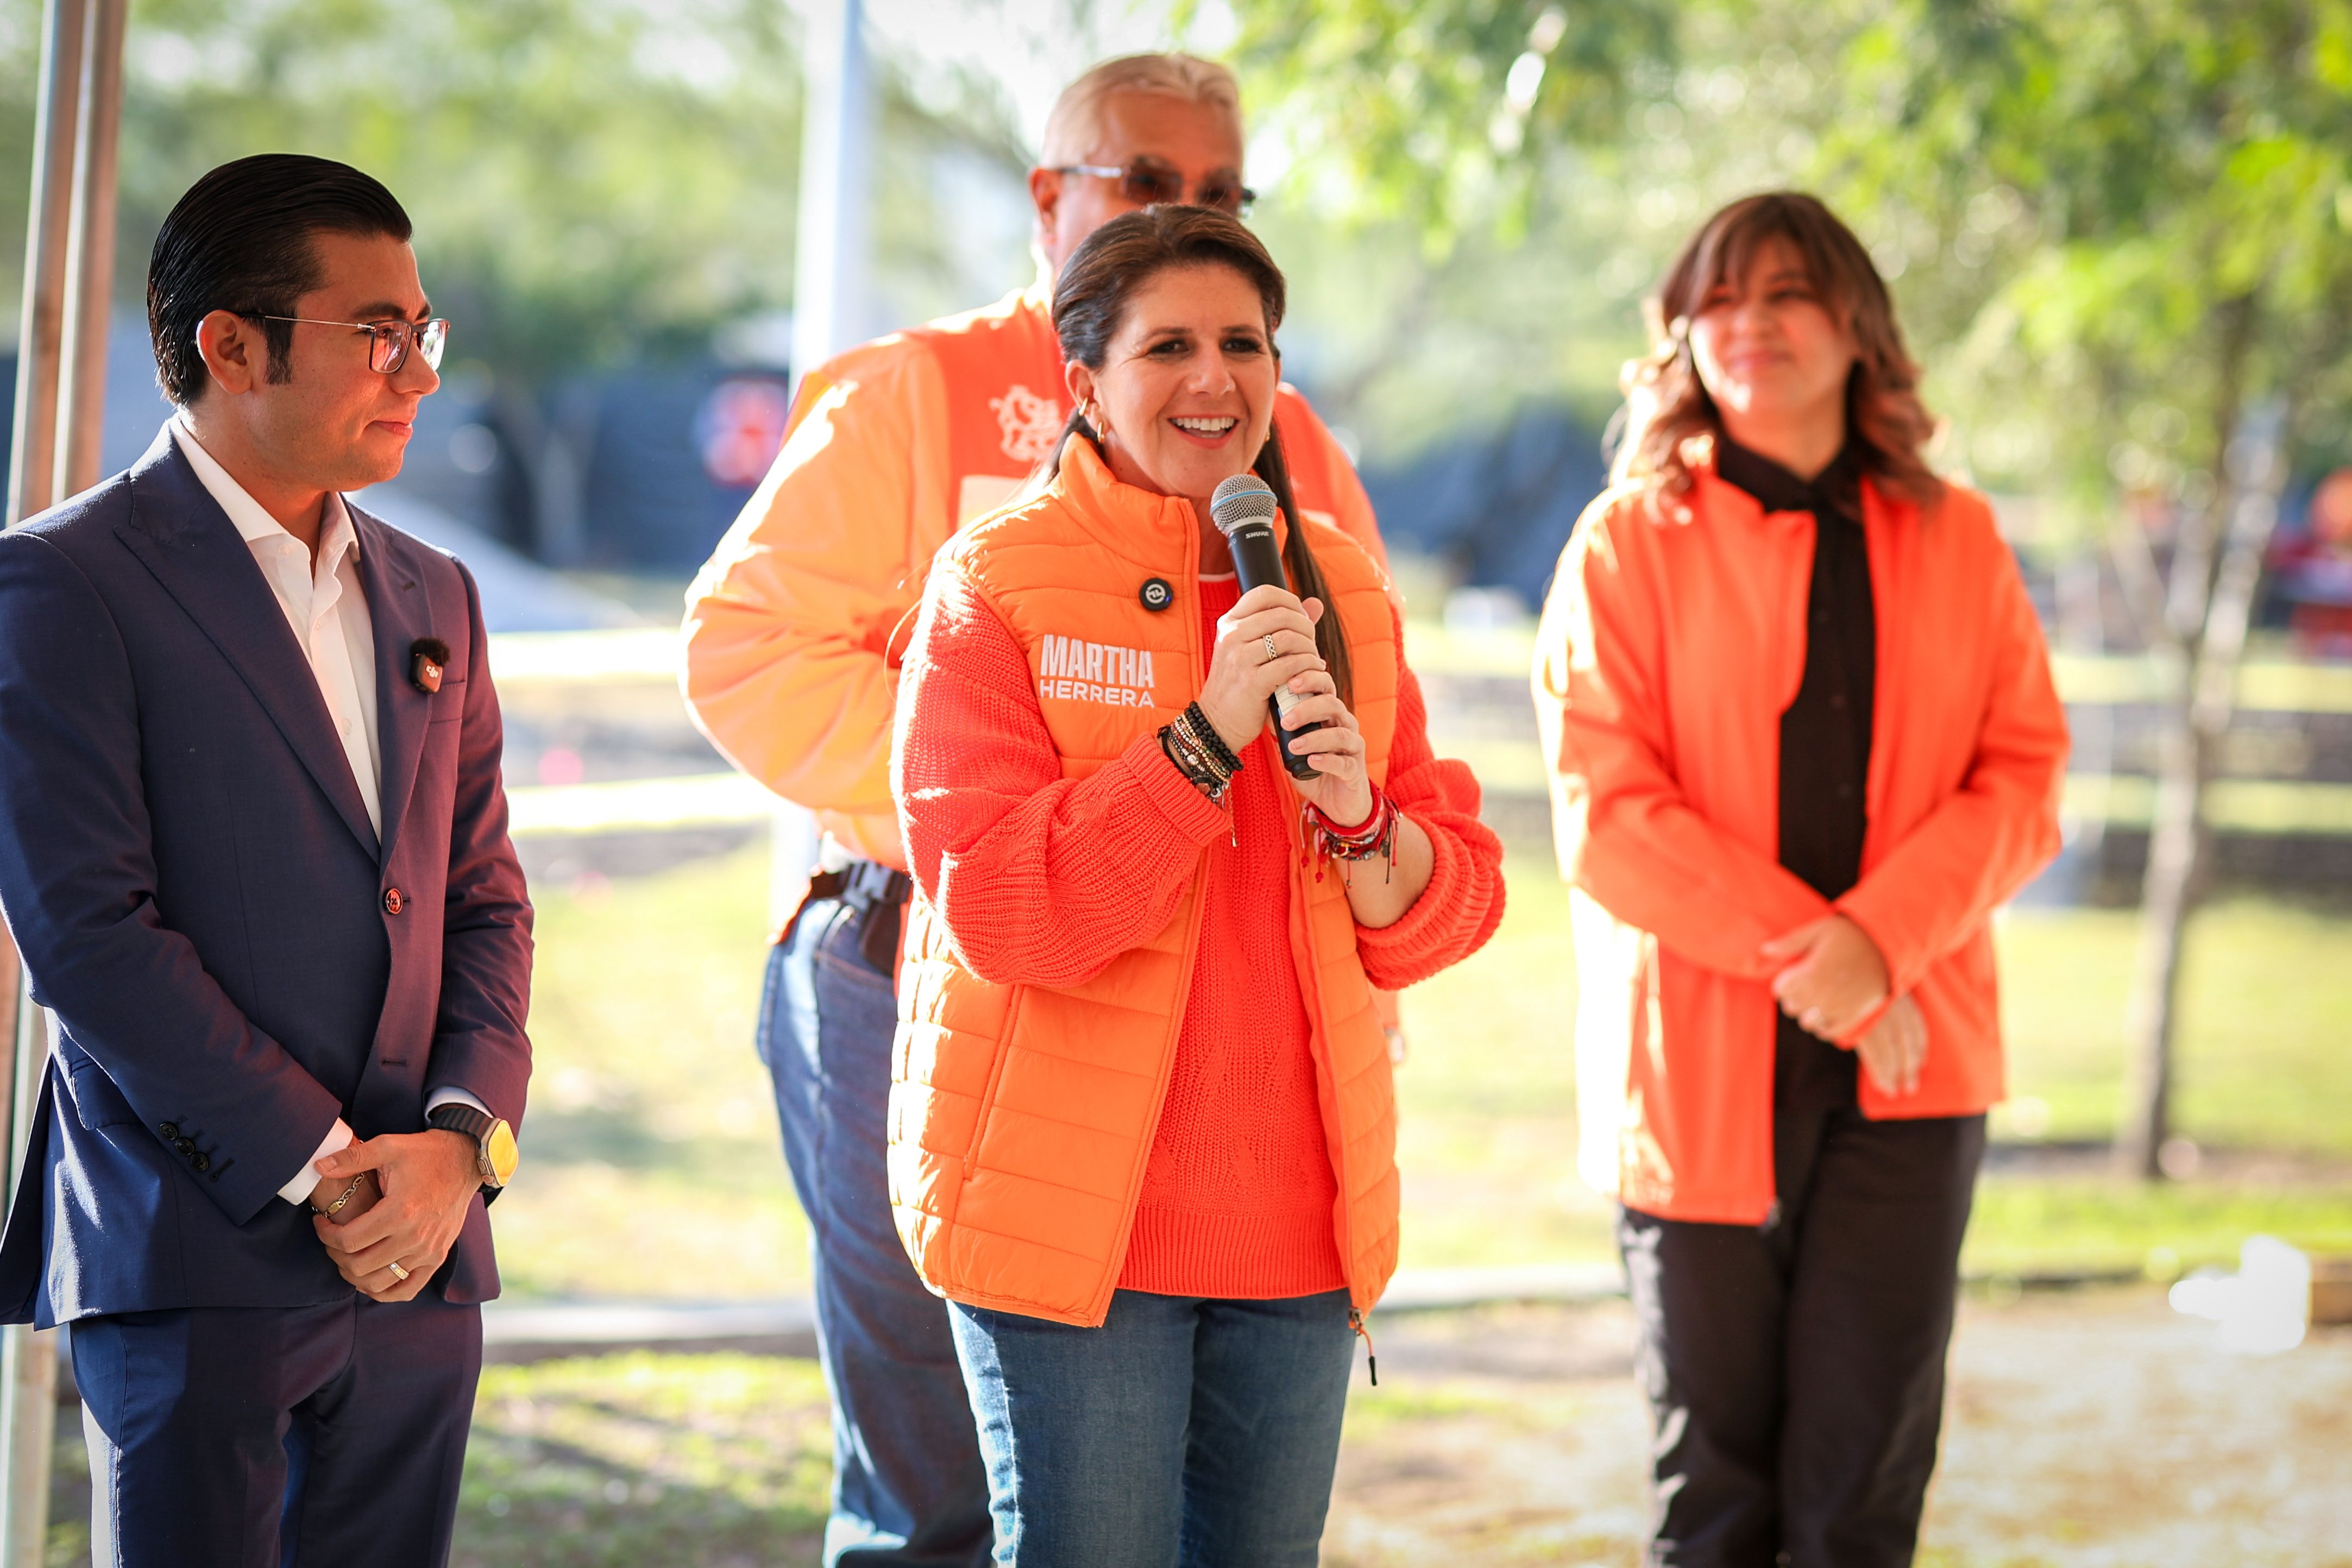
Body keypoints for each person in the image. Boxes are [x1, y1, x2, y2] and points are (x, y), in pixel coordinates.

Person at [680, 52, 1390, 1565]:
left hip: (1232, 1033)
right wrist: (999, 818)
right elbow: (743, 652)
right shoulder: (911, 393)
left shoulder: (1289, 436)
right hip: (910, 972)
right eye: (1144, 182)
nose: (1182, 211)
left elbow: (1369, 724)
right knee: (932, 1489)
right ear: (1047, 199)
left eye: (1218, 193)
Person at [890, 203, 1502, 1566]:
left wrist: (1361, 822)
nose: (1215, 378)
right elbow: (997, 907)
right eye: (1168, 345)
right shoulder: (992, 584)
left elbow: (1445, 905)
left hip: (1297, 1227)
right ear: (1083, 385)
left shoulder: (1335, 581)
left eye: (1245, 342)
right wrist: (1202, 740)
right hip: (1072, 1237)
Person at [0, 154, 533, 1567]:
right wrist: (329, 1165)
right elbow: (89, 933)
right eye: (376, 334)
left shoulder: (441, 592)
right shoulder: (64, 581)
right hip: (196, 1247)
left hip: (423, 1250)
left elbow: (480, 894)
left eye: (423, 331)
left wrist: (460, 1147)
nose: (416, 373)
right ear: (230, 346)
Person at [1532, 191, 2068, 1566]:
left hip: (1908, 1077)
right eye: (1716, 299)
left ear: (1854, 324)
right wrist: (1821, 957)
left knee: (1858, 1499)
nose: (1746, 326)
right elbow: (1606, 811)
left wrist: (1880, 944)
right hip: (1695, 1074)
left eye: (1783, 294)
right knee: (1712, 1503)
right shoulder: (1622, 543)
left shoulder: (1955, 539)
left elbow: (2022, 774)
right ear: (1678, 330)